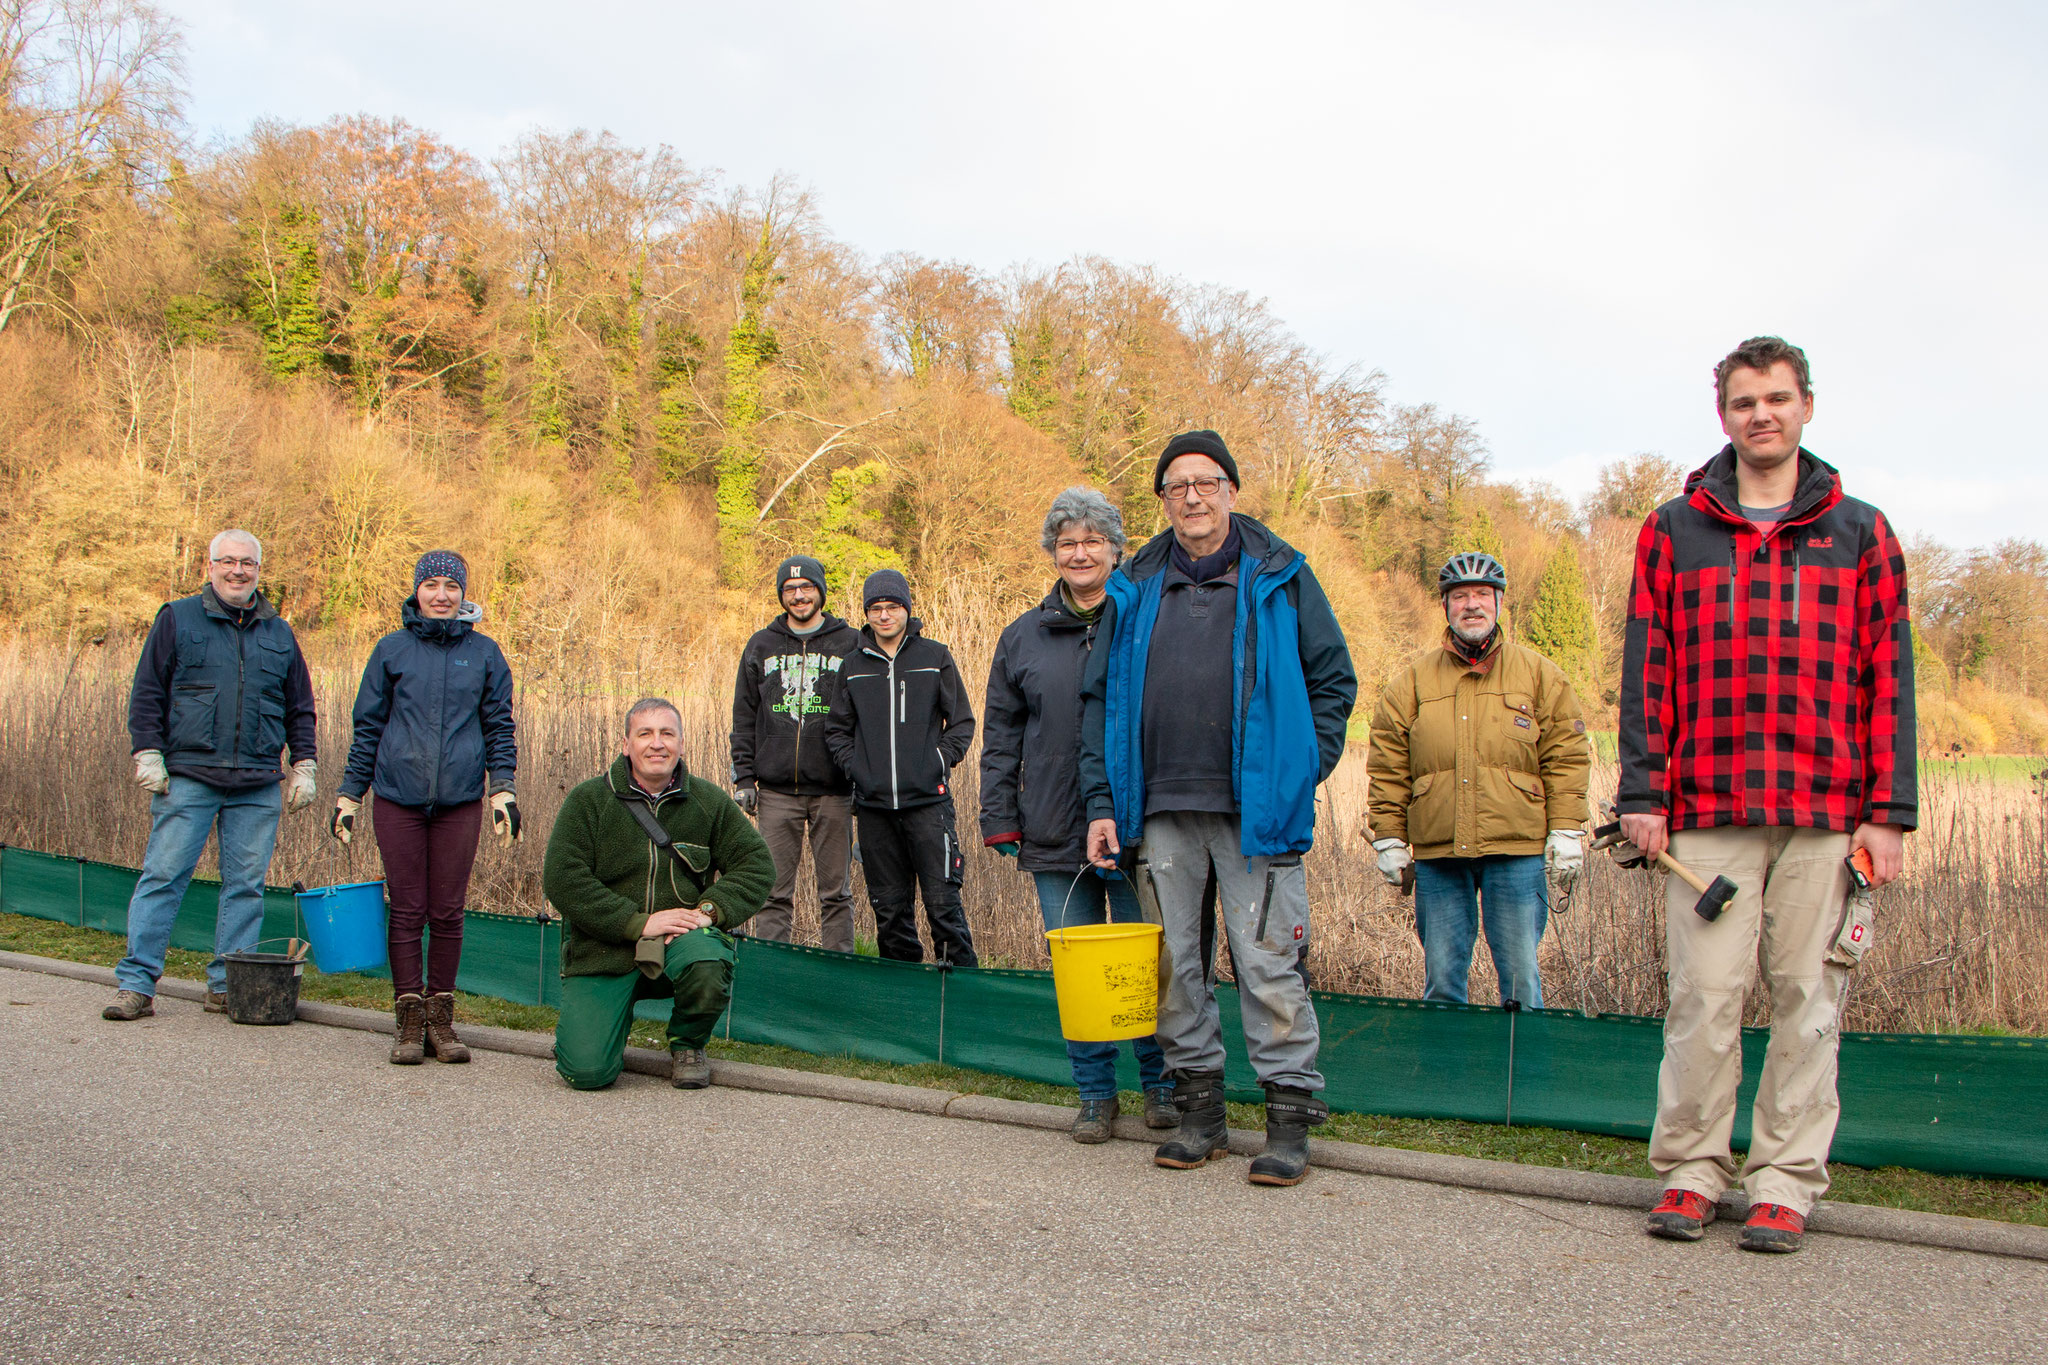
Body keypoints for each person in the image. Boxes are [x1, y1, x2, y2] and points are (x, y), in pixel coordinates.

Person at [1621, 337, 1916, 1254]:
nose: (1762, 414)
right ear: (1724, 416)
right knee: (1703, 997)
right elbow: (1646, 667)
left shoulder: (1861, 531)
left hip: (1828, 811)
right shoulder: (1672, 529)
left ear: (1806, 408)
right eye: (1745, 401)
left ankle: (1784, 1179)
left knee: (1806, 996)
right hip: (1704, 808)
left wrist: (1890, 811)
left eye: (1778, 398)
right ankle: (1693, 1169)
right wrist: (1642, 790)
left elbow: (1891, 676)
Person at [1081, 429, 1358, 1186]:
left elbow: (1333, 681)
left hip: (1256, 812)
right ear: (1164, 500)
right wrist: (1103, 799)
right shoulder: (1134, 584)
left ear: (1232, 490)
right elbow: (1102, 701)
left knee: (1269, 963)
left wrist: (1301, 770)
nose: (1193, 497)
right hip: (1160, 808)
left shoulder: (1282, 575)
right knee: (1174, 965)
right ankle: (1201, 1113)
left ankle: (1289, 1121)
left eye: (1206, 482)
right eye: (1177, 486)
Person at [982, 488, 1174, 1142]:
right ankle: (1095, 1091)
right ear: (1053, 552)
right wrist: (1000, 817)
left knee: (1149, 963)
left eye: (1092, 540)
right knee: (1078, 971)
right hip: (1053, 827)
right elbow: (1001, 736)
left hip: (1137, 825)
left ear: (1116, 548)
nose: (1080, 552)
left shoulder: (1148, 619)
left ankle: (1161, 1085)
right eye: (1067, 542)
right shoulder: (1022, 637)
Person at [103, 530, 318, 1021]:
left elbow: (299, 706)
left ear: (259, 570)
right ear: (210, 565)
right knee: (163, 877)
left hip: (259, 782)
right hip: (189, 777)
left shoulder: (279, 632)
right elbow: (148, 692)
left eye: (248, 563)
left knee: (245, 886)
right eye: (228, 562)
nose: (238, 571)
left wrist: (303, 763)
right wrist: (147, 752)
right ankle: (136, 984)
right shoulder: (177, 618)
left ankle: (227, 984)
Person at [1365, 551, 1591, 1007]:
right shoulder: (1410, 683)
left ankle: (1524, 1075)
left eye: (1482, 595)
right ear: (1446, 606)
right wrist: (1388, 837)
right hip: (1439, 853)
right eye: (1460, 595)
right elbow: (1389, 768)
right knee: (1443, 982)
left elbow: (1566, 755)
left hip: (1518, 853)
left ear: (1500, 603)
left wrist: (1567, 829)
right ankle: (1448, 1077)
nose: (1472, 604)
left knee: (1521, 981)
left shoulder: (1541, 675)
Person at [332, 551, 518, 1066]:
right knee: (408, 910)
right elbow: (367, 728)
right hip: (398, 799)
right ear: (417, 591)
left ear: (465, 594)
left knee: (448, 911)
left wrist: (503, 789)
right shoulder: (391, 651)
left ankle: (442, 1020)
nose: (441, 594)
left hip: (460, 800)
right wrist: (350, 794)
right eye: (432, 584)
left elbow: (499, 727)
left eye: (451, 586)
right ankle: (409, 1022)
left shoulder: (484, 654)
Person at [542, 698, 775, 1091]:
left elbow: (757, 864)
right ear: (625, 744)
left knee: (708, 958)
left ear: (681, 744)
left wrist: (708, 911)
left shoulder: (709, 801)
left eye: (667, 733)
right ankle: (589, 1032)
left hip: (677, 944)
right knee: (586, 1073)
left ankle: (687, 1044)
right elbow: (563, 878)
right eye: (645, 734)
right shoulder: (588, 800)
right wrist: (636, 922)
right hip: (604, 948)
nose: (657, 744)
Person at [823, 569, 978, 967]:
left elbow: (961, 722)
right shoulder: (853, 665)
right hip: (874, 810)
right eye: (875, 609)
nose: (884, 616)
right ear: (867, 614)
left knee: (944, 907)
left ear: (907, 609)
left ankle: (966, 1004)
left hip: (928, 805)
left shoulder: (934, 657)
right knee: (890, 915)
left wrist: (938, 762)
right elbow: (837, 729)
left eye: (892, 607)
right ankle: (905, 1009)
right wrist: (857, 768)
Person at [729, 555, 861, 952]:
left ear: (820, 591)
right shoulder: (761, 645)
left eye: (806, 588)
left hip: (835, 789)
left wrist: (861, 778)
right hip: (775, 792)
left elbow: (866, 716)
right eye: (790, 589)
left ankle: (840, 971)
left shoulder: (851, 643)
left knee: (836, 894)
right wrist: (743, 776)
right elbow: (744, 714)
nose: (798, 596)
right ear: (781, 595)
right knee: (772, 892)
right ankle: (774, 972)